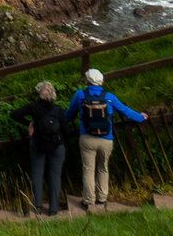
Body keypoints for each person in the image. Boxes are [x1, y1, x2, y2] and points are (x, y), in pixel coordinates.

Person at [66, 68, 146, 208]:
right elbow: (125, 111)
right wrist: (141, 117)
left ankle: (89, 200)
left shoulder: (80, 95)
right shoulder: (109, 97)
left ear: (87, 81)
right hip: (106, 138)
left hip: (87, 138)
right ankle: (102, 198)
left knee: (88, 169)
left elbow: (69, 114)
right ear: (102, 82)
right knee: (103, 168)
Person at [11, 80, 69, 215]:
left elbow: (14, 114)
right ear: (53, 94)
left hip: (38, 144)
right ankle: (53, 208)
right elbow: (66, 130)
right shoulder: (58, 110)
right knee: (55, 176)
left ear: (39, 93)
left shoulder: (33, 107)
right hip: (56, 146)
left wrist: (29, 123)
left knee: (37, 174)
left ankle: (38, 205)